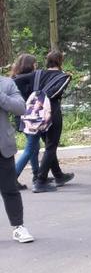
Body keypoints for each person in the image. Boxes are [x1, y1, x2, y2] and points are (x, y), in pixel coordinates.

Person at [15, 50, 73, 193]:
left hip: (35, 115)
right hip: (51, 114)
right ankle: (40, 181)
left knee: (48, 146)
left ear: (47, 61)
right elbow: (55, 93)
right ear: (60, 61)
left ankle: (58, 175)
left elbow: (16, 80)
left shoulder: (38, 73)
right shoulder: (64, 76)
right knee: (51, 147)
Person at [0, 68, 31, 242]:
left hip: (2, 146)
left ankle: (18, 227)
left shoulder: (6, 83)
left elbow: (21, 108)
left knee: (10, 189)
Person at [10, 54, 38, 190]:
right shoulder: (28, 79)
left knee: (34, 147)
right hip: (29, 117)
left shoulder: (15, 79)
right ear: (29, 65)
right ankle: (12, 177)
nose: (36, 66)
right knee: (31, 147)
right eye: (34, 63)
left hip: (20, 117)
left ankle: (37, 175)